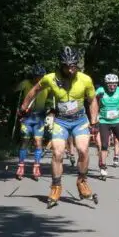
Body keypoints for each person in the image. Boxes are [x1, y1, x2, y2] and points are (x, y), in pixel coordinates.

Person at [19, 46, 99, 205]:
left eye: (73, 66)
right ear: (60, 64)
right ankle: (56, 186)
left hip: (79, 120)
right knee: (57, 152)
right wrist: (23, 108)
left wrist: (94, 122)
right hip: (61, 121)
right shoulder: (50, 78)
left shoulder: (85, 79)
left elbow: (92, 101)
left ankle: (82, 181)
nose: (70, 70)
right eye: (66, 66)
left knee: (83, 150)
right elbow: (34, 91)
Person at [14, 64, 51, 181]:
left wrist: (51, 109)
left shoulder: (47, 86)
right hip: (27, 118)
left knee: (38, 142)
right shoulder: (26, 83)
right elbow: (15, 90)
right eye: (37, 76)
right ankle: (20, 166)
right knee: (24, 141)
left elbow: (53, 97)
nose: (39, 79)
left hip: (39, 118)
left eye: (41, 76)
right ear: (33, 76)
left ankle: (36, 167)